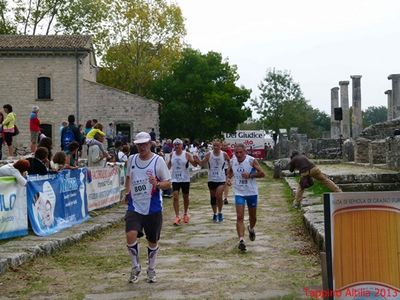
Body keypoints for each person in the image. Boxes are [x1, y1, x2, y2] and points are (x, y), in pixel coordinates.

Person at [124, 131, 171, 284]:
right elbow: (129, 177)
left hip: (153, 207)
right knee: (130, 234)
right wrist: (127, 191)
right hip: (134, 205)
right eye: (139, 145)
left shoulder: (158, 161)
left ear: (150, 144)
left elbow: (168, 183)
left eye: (145, 144)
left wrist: (156, 184)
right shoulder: (131, 159)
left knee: (152, 240)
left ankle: (151, 268)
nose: (142, 147)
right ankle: (135, 266)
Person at [227, 143, 265, 252]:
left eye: (241, 152)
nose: (238, 155)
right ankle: (241, 240)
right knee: (239, 216)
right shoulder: (232, 161)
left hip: (251, 192)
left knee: (253, 217)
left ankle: (251, 228)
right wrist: (228, 179)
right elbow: (229, 172)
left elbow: (262, 174)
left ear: (245, 152)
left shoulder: (251, 161)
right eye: (236, 152)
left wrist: (250, 175)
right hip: (239, 192)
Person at [195, 139, 230, 222]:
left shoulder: (224, 154)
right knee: (213, 197)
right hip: (211, 179)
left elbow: (230, 163)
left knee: (219, 196)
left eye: (218, 145)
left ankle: (220, 212)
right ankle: (215, 213)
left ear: (220, 146)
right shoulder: (209, 154)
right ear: (212, 146)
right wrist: (197, 160)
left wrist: (228, 175)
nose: (216, 147)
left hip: (221, 179)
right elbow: (202, 163)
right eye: (214, 145)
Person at [167, 138, 198, 225]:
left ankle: (185, 213)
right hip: (175, 178)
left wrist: (196, 159)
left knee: (185, 197)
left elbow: (194, 164)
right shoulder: (171, 154)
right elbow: (169, 165)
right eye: (175, 145)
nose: (177, 146)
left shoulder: (186, 154)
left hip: (185, 178)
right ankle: (177, 216)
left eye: (178, 145)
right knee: (175, 196)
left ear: (181, 146)